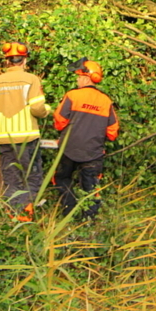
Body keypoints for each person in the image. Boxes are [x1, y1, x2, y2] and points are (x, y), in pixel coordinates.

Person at [0, 42, 49, 222]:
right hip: (27, 138)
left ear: (7, 61)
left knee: (12, 178)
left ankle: (12, 213)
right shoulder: (31, 79)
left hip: (5, 139)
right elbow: (37, 108)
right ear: (24, 60)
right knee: (31, 175)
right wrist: (46, 111)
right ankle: (26, 213)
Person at [52, 58, 119, 220]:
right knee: (92, 187)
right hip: (93, 153)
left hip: (68, 149)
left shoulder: (72, 96)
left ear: (86, 78)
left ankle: (69, 211)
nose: (77, 79)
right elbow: (112, 132)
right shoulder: (106, 101)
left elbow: (59, 123)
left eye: (78, 76)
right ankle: (89, 221)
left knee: (61, 178)